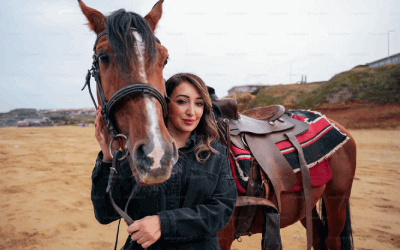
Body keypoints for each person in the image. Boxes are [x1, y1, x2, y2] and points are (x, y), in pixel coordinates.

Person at [91, 73, 238, 250]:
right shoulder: (138, 152)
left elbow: (221, 212)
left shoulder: (216, 153)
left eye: (199, 103)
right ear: (164, 104)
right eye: (182, 101)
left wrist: (163, 223)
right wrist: (107, 158)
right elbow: (105, 213)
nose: (192, 111)